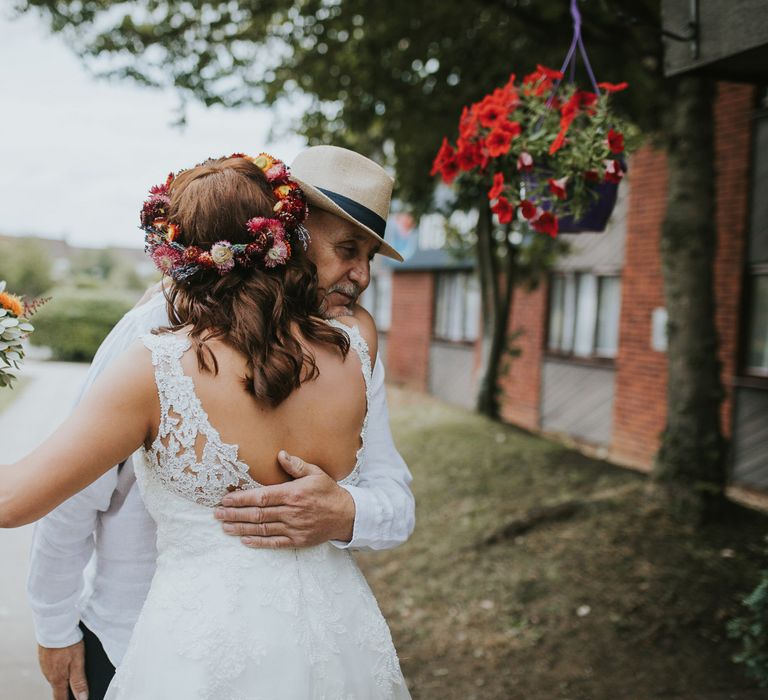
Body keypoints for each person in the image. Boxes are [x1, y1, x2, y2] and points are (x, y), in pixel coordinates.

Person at [2, 152, 412, 698]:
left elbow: (14, 499)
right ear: (288, 237)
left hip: (191, 650)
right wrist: (55, 623)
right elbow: (76, 505)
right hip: (331, 644)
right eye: (347, 250)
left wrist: (346, 512)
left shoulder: (156, 367)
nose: (360, 275)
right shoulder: (356, 345)